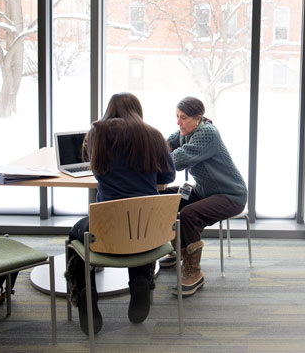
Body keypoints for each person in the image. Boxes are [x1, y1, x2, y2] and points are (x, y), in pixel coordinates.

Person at [65, 92, 176, 335]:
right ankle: (141, 282)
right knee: (139, 232)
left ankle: (85, 294)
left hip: (106, 228)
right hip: (147, 227)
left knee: (75, 233)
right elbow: (169, 177)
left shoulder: (96, 133)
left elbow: (97, 170)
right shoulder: (153, 135)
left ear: (108, 110)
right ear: (138, 110)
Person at [160, 96, 247, 297]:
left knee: (189, 214)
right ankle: (178, 249)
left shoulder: (207, 133)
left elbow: (178, 159)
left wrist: (157, 156)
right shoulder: (185, 131)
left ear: (198, 118)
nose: (178, 122)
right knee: (164, 198)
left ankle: (194, 272)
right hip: (205, 190)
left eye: (183, 117)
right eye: (177, 116)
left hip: (230, 194)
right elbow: (164, 145)